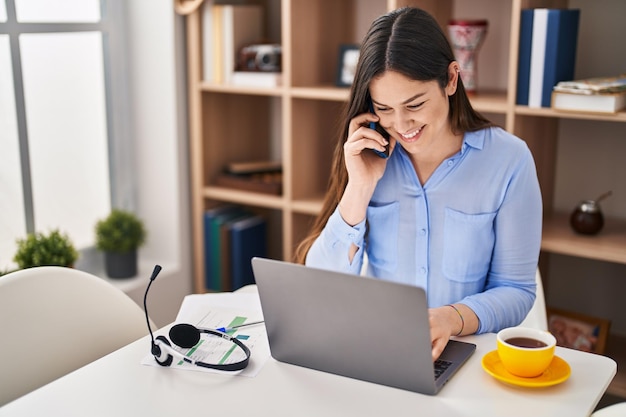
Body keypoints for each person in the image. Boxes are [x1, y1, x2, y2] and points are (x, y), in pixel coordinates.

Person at [293, 7, 542, 361]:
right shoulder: (370, 155)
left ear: (451, 80)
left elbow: (516, 290)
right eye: (384, 108)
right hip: (380, 350)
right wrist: (360, 186)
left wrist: (451, 318)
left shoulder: (509, 161)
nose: (401, 123)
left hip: (467, 354)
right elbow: (320, 284)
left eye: (415, 104)